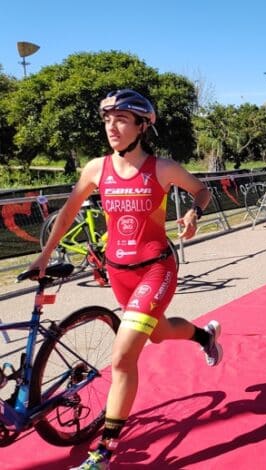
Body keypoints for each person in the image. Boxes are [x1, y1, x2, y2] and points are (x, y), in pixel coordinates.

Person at [28, 90, 223, 470]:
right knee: (158, 332)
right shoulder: (96, 169)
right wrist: (45, 255)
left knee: (121, 358)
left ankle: (103, 452)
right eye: (107, 120)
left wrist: (193, 216)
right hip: (118, 272)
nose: (111, 128)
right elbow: (67, 215)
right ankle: (204, 335)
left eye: (121, 120)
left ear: (142, 126)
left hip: (155, 268)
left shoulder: (162, 168)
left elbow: (202, 191)